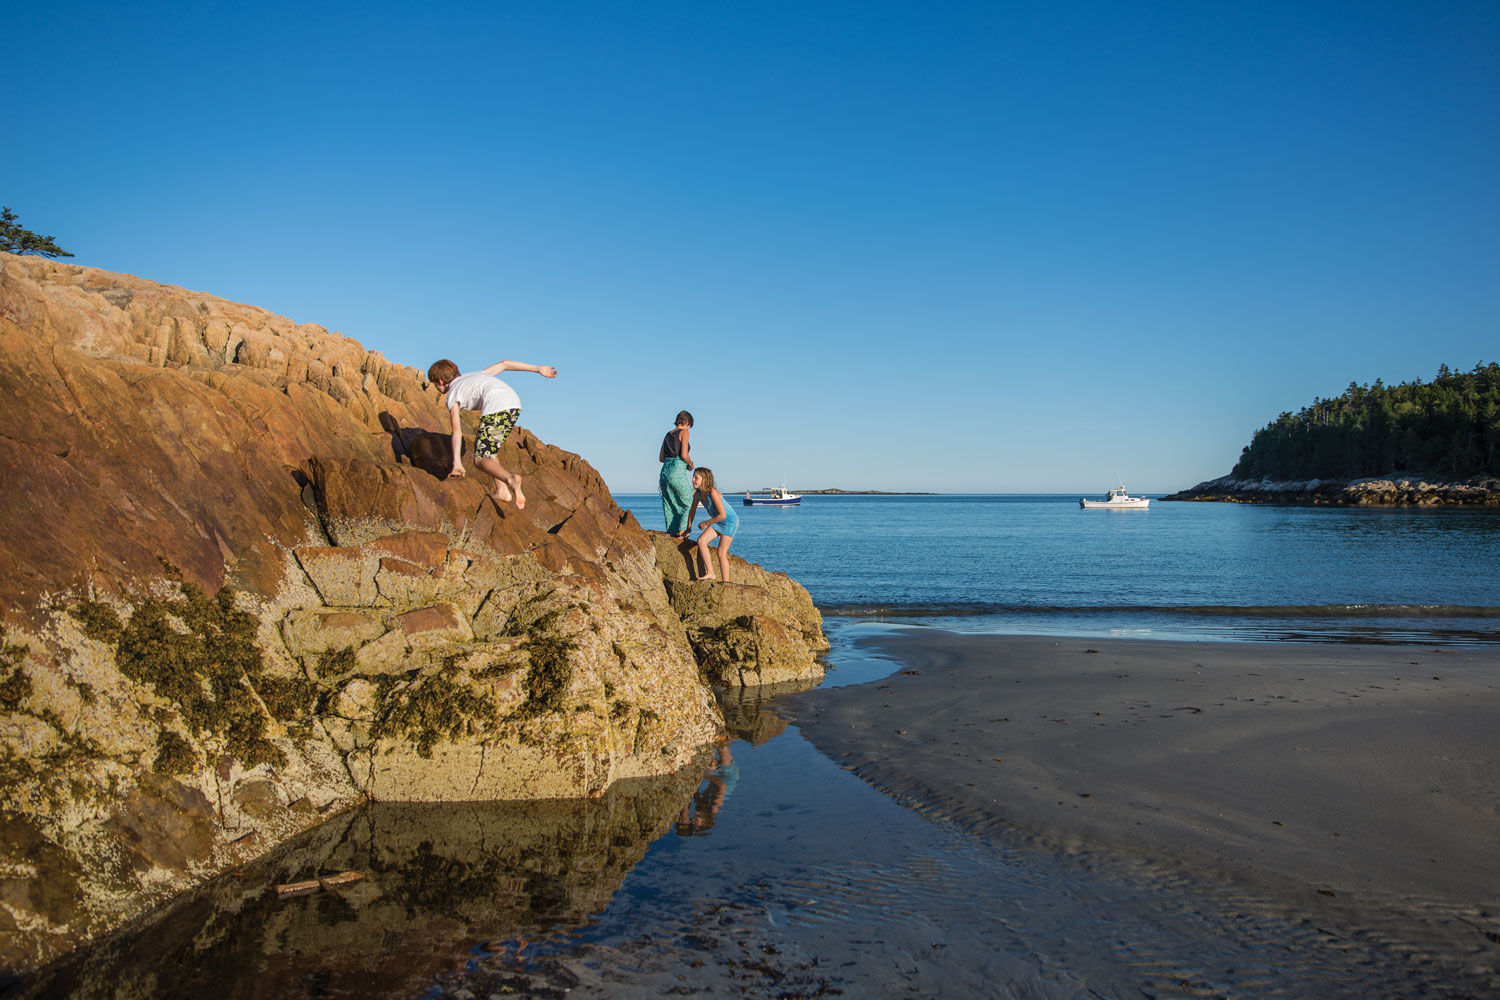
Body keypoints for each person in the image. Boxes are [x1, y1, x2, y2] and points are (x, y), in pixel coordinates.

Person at [427, 358, 557, 510]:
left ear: (441, 381)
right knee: (489, 449)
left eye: (435, 384)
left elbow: (456, 431)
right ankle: (502, 491)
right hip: (513, 403)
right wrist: (537, 368)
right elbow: (504, 364)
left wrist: (457, 463)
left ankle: (510, 480)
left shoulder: (452, 395)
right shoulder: (476, 375)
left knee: (481, 460)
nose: (436, 388)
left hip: (496, 406)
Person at [688, 467, 738, 582]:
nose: (693, 480)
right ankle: (711, 573)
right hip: (718, 521)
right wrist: (688, 528)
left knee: (721, 552)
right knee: (701, 541)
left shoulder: (713, 493)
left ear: (704, 479)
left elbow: (723, 515)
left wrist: (706, 523)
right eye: (693, 477)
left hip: (729, 521)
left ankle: (726, 582)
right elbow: (692, 511)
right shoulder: (698, 494)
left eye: (696, 478)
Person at [658, 410, 695, 538]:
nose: (689, 428)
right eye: (689, 425)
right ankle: (682, 533)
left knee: (670, 503)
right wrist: (690, 463)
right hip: (677, 470)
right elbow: (684, 455)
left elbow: (661, 458)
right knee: (688, 502)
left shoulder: (668, 434)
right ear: (686, 422)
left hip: (664, 472)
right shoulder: (684, 433)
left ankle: (672, 532)